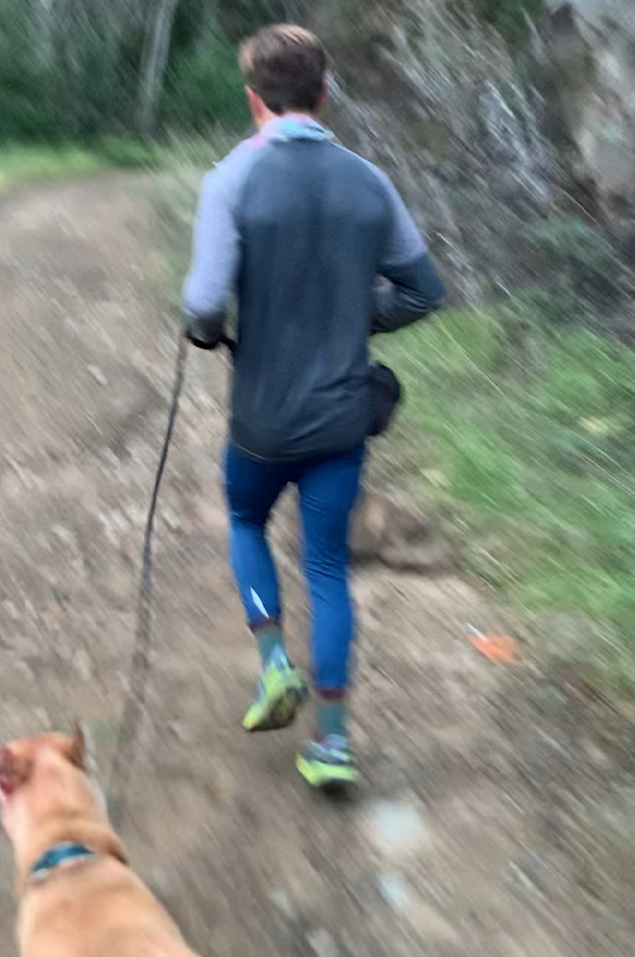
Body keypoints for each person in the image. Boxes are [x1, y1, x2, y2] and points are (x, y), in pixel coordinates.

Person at [182, 24, 445, 788]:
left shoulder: (232, 177)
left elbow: (202, 306)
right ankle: (332, 744)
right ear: (326, 95)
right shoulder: (368, 181)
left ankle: (274, 667)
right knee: (327, 566)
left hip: (262, 418)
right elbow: (425, 291)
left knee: (244, 519)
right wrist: (354, 313)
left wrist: (212, 331)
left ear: (253, 99)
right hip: (339, 422)